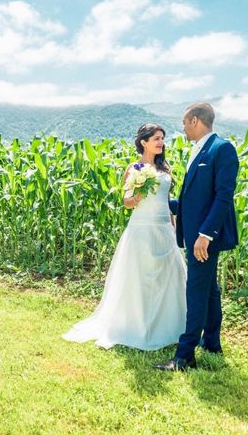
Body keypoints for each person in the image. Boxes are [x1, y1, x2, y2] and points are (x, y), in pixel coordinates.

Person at [62, 123, 187, 350]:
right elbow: (127, 203)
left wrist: (174, 226)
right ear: (144, 142)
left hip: (164, 228)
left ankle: (169, 325)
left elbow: (166, 203)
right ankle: (135, 325)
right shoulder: (134, 168)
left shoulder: (164, 168)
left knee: (170, 276)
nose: (161, 142)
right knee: (139, 278)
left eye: (162, 138)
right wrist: (139, 190)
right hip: (141, 229)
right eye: (156, 138)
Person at [154, 101, 239, 372]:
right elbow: (194, 199)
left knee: (196, 291)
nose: (182, 128)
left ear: (195, 120)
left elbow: (224, 196)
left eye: (183, 123)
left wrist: (206, 235)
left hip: (204, 238)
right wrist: (161, 203)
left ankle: (184, 355)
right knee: (210, 289)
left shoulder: (221, 149)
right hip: (194, 234)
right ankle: (212, 342)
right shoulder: (198, 150)